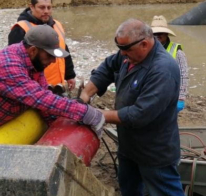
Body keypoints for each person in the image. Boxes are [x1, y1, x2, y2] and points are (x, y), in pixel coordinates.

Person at [80, 19, 184, 196]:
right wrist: (86, 94)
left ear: (144, 44)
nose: (122, 54)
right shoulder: (129, 53)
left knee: (165, 191)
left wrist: (96, 114)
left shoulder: (162, 70)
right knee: (130, 189)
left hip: (154, 151)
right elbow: (107, 67)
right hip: (129, 146)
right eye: (120, 49)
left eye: (126, 50)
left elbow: (139, 114)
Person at [0, 25, 105, 137]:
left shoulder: (33, 60)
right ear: (33, 50)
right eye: (49, 56)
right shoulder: (8, 65)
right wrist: (84, 112)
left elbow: (44, 94)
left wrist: (56, 126)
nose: (53, 61)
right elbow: (40, 98)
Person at [8, 0, 76, 91]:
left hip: (58, 85)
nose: (46, 11)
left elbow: (64, 50)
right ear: (32, 7)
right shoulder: (21, 28)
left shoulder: (57, 25)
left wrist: (69, 75)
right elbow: (15, 61)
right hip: (35, 87)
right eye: (42, 7)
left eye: (49, 7)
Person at [151, 15, 189, 113]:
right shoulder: (146, 50)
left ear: (166, 34)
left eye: (161, 33)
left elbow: (183, 75)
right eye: (155, 33)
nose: (158, 35)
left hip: (171, 96)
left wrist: (181, 97)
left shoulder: (177, 52)